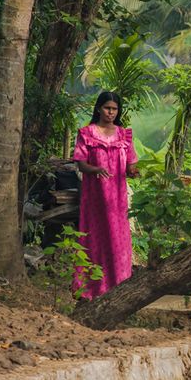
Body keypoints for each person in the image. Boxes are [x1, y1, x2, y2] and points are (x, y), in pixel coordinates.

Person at [71, 91, 139, 299]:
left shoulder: (123, 135)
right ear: (99, 108)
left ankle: (119, 285)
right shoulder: (87, 133)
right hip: (95, 198)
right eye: (107, 108)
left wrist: (134, 171)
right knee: (95, 238)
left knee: (117, 239)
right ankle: (91, 288)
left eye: (115, 109)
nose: (111, 112)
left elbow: (131, 163)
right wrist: (95, 169)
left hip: (117, 200)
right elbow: (81, 163)